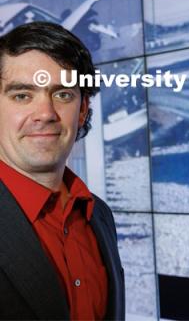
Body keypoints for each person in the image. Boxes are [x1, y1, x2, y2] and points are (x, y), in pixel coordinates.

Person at [0, 22, 125, 320]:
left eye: (63, 95)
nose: (45, 114)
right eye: (22, 95)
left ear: (82, 110)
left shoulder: (99, 216)